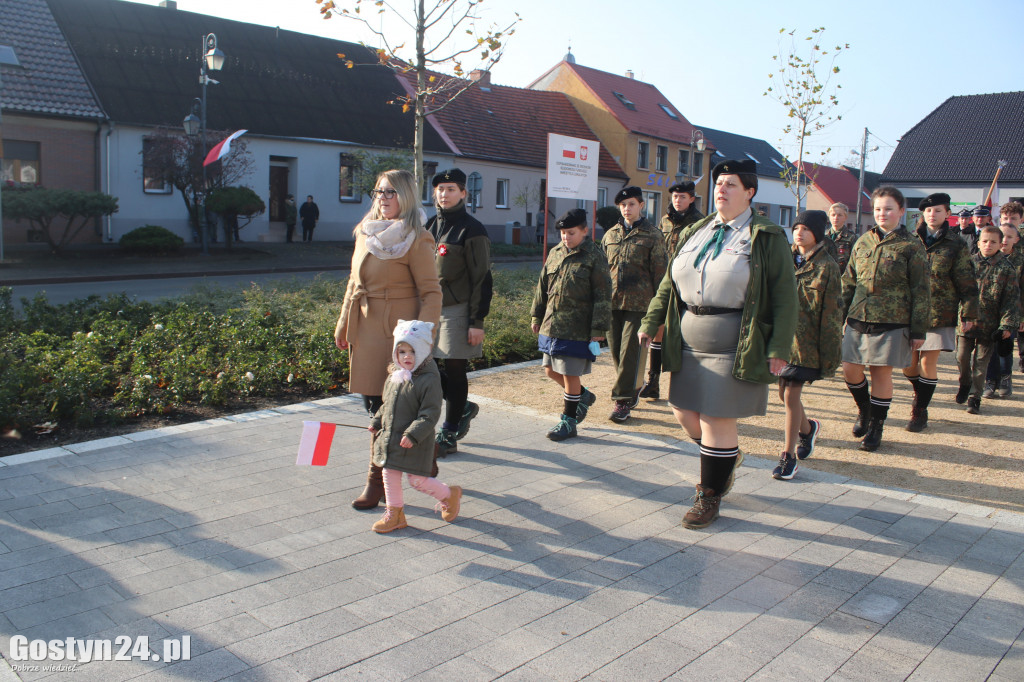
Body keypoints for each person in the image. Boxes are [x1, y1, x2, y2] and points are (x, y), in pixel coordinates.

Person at [639, 159, 797, 529]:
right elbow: (669, 283)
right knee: (682, 410)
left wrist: (778, 347)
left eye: (731, 184)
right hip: (687, 338)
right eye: (719, 183)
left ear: (750, 192)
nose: (721, 189)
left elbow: (785, 295)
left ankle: (709, 495)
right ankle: (726, 457)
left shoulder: (766, 235)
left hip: (735, 340)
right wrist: (651, 321)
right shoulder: (698, 228)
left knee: (715, 418)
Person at [335, 169, 442, 510]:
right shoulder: (364, 233)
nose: (383, 198)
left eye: (391, 192)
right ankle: (417, 462)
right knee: (374, 409)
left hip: (402, 337)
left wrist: (421, 340)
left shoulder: (417, 238)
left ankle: (375, 482)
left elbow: (431, 292)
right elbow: (353, 284)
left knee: (398, 408)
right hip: (367, 331)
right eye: (379, 191)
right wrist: (342, 326)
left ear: (406, 196)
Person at [841, 186, 930, 452]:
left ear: (901, 211)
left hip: (893, 320)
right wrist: (837, 315)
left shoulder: (912, 246)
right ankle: (865, 410)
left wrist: (918, 331)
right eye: (878, 209)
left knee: (881, 373)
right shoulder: (863, 241)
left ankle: (876, 427)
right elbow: (849, 281)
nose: (883, 214)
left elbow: (921, 290)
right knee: (849, 369)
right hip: (858, 316)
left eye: (889, 208)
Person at [368, 320, 462, 533]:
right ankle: (396, 514)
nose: (407, 356)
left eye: (412, 350)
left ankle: (449, 494)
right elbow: (386, 405)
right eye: (401, 351)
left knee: (417, 480)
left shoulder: (429, 379)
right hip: (391, 438)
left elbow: (430, 413)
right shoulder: (395, 376)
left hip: (415, 441)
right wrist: (376, 421)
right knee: (389, 474)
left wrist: (413, 434)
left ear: (423, 350)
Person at [425, 168, 493, 456]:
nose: (445, 194)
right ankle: (463, 406)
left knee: (454, 368)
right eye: (440, 189)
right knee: (426, 367)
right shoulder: (428, 226)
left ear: (464, 193)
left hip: (457, 308)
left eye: (451, 189)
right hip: (428, 308)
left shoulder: (472, 229)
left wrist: (476, 321)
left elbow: (482, 278)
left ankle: (449, 432)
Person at [530, 208, 612, 441]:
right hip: (552, 325)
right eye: (563, 233)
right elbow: (542, 286)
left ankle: (569, 421)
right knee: (550, 370)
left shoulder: (594, 255)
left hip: (577, 328)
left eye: (572, 232)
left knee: (569, 373)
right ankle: (583, 397)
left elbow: (603, 294)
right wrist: (537, 316)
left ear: (585, 231)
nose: (566, 237)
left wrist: (598, 329)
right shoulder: (555, 252)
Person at [774, 210, 842, 481]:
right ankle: (808, 429)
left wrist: (829, 353)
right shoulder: (784, 259)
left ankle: (788, 456)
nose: (799, 233)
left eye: (806, 228)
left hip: (807, 343)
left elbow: (832, 315)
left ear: (818, 233)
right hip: (782, 340)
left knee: (790, 396)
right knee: (783, 395)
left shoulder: (827, 267)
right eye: (796, 227)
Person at [901, 193, 978, 431]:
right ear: (922, 214)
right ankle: (921, 393)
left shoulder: (956, 244)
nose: (932, 214)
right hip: (909, 311)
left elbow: (966, 280)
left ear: (948, 214)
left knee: (928, 363)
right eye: (928, 211)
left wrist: (968, 313)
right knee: (908, 366)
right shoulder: (910, 240)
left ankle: (919, 410)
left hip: (940, 311)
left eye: (937, 210)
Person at [602, 186, 668, 423]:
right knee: (618, 353)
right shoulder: (610, 235)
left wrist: (659, 311)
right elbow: (602, 271)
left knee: (630, 352)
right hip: (612, 303)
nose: (626, 209)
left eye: (631, 204)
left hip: (640, 304)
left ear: (641, 205)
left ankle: (622, 402)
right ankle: (633, 387)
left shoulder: (653, 235)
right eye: (622, 205)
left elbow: (661, 275)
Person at [639, 181, 705, 401]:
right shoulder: (665, 220)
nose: (678, 201)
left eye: (682, 197)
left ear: (692, 199)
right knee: (658, 332)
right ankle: (653, 382)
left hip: (689, 283)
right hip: (666, 280)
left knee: (686, 334)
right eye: (675, 197)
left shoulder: (700, 222)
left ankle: (689, 384)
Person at [955, 226, 1020, 414]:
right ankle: (965, 383)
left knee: (981, 363)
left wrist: (1006, 325)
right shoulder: (968, 264)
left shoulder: (1006, 269)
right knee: (962, 358)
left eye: (993, 241)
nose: (988, 245)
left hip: (990, 326)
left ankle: (974, 397)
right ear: (978, 243)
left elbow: (1011, 300)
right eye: (984, 241)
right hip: (966, 322)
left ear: (1000, 244)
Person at [984, 219, 1024, 397]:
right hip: (989, 312)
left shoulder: (1020, 261)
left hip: (1012, 311)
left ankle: (1006, 377)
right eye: (1003, 236)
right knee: (989, 348)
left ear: (1016, 239)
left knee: (1005, 346)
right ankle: (991, 380)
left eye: (1010, 237)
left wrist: (1021, 317)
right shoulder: (987, 259)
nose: (1005, 240)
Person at [825, 202, 857, 275]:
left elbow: (855, 261)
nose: (836, 218)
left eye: (840, 215)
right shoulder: (823, 237)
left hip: (843, 278)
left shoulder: (852, 237)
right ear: (829, 216)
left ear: (845, 217)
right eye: (833, 215)